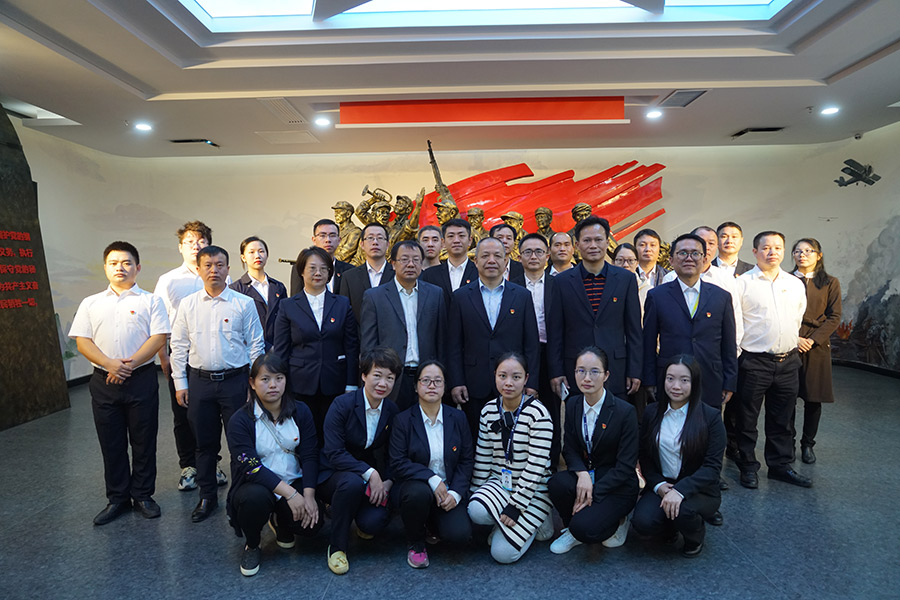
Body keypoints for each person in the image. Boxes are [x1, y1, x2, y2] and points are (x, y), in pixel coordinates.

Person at [69, 241, 170, 525]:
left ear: (138, 267)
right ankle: (117, 498)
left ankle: (143, 495)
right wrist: (110, 364)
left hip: (141, 379)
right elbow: (82, 341)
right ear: (105, 268)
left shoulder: (151, 301)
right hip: (104, 381)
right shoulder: (90, 303)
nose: (120, 268)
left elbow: (158, 338)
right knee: (111, 441)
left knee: (143, 439)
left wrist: (128, 366)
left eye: (126, 263)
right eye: (114, 263)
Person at [170, 245, 265, 522]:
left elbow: (256, 346)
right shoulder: (188, 305)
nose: (214, 270)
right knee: (204, 444)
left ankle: (240, 497)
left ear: (228, 269)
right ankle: (207, 496)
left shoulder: (243, 303)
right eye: (208, 265)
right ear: (199, 270)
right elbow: (179, 346)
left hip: (236, 382)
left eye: (220, 265)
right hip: (200, 383)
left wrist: (254, 385)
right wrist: (180, 383)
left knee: (241, 443)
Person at [225, 353, 323, 577]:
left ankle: (281, 522)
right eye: (265, 379)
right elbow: (251, 467)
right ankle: (252, 544)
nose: (273, 385)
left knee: (312, 525)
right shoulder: (240, 421)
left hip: (293, 479)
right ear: (252, 383)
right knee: (253, 500)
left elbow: (310, 455)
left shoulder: (301, 411)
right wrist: (291, 494)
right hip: (258, 485)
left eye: (279, 378)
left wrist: (308, 496)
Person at [154, 220, 230, 491]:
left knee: (211, 413)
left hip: (215, 354)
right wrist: (163, 356)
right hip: (182, 354)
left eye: (201, 241)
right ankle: (188, 465)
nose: (195, 246)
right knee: (183, 412)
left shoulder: (222, 275)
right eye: (189, 242)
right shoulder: (169, 280)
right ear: (180, 247)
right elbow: (159, 321)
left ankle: (212, 463)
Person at [734, 231, 811, 489]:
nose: (772, 252)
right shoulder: (743, 283)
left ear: (784, 251)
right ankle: (747, 466)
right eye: (766, 247)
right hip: (754, 362)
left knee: (783, 418)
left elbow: (797, 317)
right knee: (747, 419)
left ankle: (780, 465)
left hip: (788, 361)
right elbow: (736, 324)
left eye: (777, 247)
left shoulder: (795, 283)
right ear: (755, 252)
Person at [317, 348, 402, 575]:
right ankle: (337, 548)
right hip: (332, 472)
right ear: (364, 375)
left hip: (364, 475)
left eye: (390, 378)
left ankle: (355, 513)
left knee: (373, 523)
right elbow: (334, 452)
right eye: (377, 375)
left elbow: (395, 453)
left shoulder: (392, 410)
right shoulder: (342, 405)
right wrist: (370, 473)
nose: (383, 383)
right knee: (351, 484)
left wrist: (388, 481)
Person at [632, 355, 726, 558]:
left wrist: (681, 490)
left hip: (698, 490)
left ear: (695, 382)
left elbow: (712, 467)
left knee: (683, 511)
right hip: (664, 484)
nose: (676, 386)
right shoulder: (651, 412)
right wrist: (658, 485)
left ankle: (695, 535)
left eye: (684, 380)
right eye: (670, 378)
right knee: (642, 522)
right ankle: (669, 526)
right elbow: (645, 456)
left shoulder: (710, 418)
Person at [548, 347, 638, 554]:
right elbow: (569, 449)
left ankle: (620, 520)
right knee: (557, 484)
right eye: (581, 371)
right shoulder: (573, 404)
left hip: (617, 484)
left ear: (606, 375)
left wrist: (592, 491)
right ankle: (572, 528)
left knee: (586, 529)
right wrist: (582, 475)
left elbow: (625, 467)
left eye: (594, 371)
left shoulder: (625, 412)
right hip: (588, 476)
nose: (586, 378)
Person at [447, 237, 540, 436]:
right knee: (476, 437)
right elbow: (453, 345)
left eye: (497, 256)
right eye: (485, 256)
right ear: (475, 261)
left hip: (513, 383)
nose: (491, 260)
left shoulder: (522, 296)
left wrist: (531, 382)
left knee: (514, 438)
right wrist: (456, 381)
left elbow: (531, 344)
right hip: (473, 383)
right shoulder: (460, 296)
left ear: (506, 261)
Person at [468, 353, 554, 564]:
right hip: (501, 483)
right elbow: (483, 456)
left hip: (533, 491)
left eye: (516, 377)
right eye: (502, 376)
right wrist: (475, 492)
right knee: (475, 509)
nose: (508, 383)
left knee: (502, 554)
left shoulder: (539, 413)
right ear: (495, 376)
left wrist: (516, 506)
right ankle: (506, 522)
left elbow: (536, 466)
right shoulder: (488, 410)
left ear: (526, 379)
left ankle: (541, 520)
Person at [389, 361, 475, 568]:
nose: (432, 386)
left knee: (459, 537)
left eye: (438, 381)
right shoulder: (403, 420)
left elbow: (466, 460)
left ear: (445, 386)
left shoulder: (458, 417)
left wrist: (456, 493)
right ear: (416, 386)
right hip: (415, 488)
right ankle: (416, 543)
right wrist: (431, 478)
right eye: (426, 380)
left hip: (448, 490)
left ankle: (431, 523)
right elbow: (398, 462)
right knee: (418, 493)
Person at [547, 216, 643, 400]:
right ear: (577, 245)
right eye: (587, 240)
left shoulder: (625, 279)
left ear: (607, 242)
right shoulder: (561, 282)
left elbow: (634, 331)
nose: (593, 245)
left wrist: (635, 369)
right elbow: (555, 332)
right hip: (576, 370)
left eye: (598, 240)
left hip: (616, 369)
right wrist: (556, 371)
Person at [274, 246, 359, 446]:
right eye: (312, 268)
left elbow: (351, 347)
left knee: (332, 436)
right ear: (302, 271)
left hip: (335, 382)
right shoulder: (288, 305)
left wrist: (351, 384)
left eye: (323, 268)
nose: (318, 273)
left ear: (330, 273)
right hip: (299, 383)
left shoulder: (342, 304)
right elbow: (281, 350)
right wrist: (281, 384)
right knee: (303, 437)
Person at [643, 234, 737, 410]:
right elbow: (648, 343)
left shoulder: (721, 297)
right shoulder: (657, 296)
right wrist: (649, 380)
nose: (689, 258)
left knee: (707, 424)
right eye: (682, 253)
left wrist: (729, 381)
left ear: (704, 259)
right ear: (671, 260)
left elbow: (728, 344)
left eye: (695, 253)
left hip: (710, 378)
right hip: (670, 380)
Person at [360, 240, 448, 410]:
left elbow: (441, 340)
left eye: (416, 260)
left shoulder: (435, 294)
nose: (410, 264)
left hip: (426, 377)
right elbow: (368, 344)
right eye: (404, 259)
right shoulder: (375, 296)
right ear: (393, 264)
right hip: (390, 376)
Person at [511, 233, 560, 468]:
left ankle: (550, 464)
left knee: (551, 411)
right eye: (528, 252)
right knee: (519, 411)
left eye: (539, 251)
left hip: (551, 354)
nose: (533, 256)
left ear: (547, 256)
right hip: (519, 356)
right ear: (519, 257)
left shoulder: (558, 285)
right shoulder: (511, 286)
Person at [791, 238, 842, 464]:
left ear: (819, 255)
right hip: (789, 342)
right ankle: (787, 442)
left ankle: (807, 444)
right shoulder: (785, 280)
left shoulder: (830, 282)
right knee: (787, 397)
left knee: (813, 398)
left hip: (817, 345)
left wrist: (812, 340)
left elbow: (835, 316)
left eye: (808, 251)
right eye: (797, 251)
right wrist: (794, 338)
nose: (802, 255)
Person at [230, 236, 286, 351]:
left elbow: (285, 320)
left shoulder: (278, 287)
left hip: (279, 349)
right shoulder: (236, 289)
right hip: (250, 350)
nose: (257, 256)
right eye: (251, 252)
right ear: (243, 257)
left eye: (261, 251)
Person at [339, 222, 395, 322]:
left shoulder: (398, 275)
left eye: (380, 238)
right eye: (370, 238)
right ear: (362, 244)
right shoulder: (349, 277)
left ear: (387, 244)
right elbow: (345, 314)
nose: (375, 242)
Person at [420, 218, 478, 304]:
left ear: (470, 241)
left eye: (461, 236)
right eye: (451, 236)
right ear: (443, 242)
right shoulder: (430, 274)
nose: (456, 240)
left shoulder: (480, 272)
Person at [291, 219, 353, 296]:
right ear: (314, 240)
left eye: (332, 235)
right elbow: (296, 298)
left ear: (339, 240)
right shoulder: (301, 267)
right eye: (322, 235)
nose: (328, 240)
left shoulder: (349, 270)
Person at [633, 228, 670, 302]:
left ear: (659, 249)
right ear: (635, 249)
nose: (648, 249)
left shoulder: (668, 276)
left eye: (652, 245)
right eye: (642, 245)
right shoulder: (629, 275)